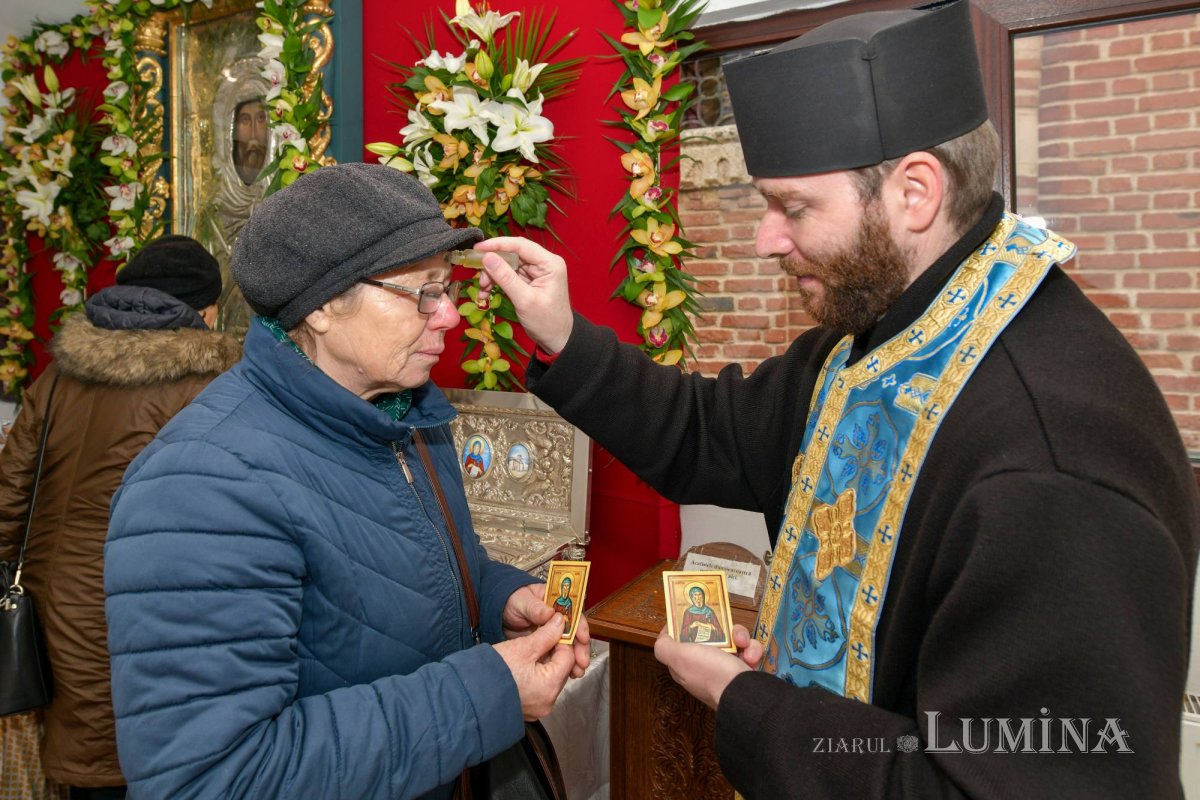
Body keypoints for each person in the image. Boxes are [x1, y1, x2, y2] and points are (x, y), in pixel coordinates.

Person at [473, 2, 1200, 796]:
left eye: (793, 207)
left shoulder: (1052, 458)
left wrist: (746, 701)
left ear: (915, 191)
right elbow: (706, 435)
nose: (766, 239)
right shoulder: (885, 331)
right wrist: (565, 336)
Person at [103, 163, 589, 800]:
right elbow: (211, 780)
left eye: (447, 289)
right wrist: (487, 695)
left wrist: (495, 598)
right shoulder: (201, 484)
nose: (447, 317)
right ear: (325, 306)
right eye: (422, 293)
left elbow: (396, 574)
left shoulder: (407, 416)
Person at [0, 234, 241, 800]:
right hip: (137, 602)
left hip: (46, 597)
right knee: (122, 762)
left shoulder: (59, 373)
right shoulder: (208, 386)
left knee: (78, 756)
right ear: (206, 310)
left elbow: (11, 489)